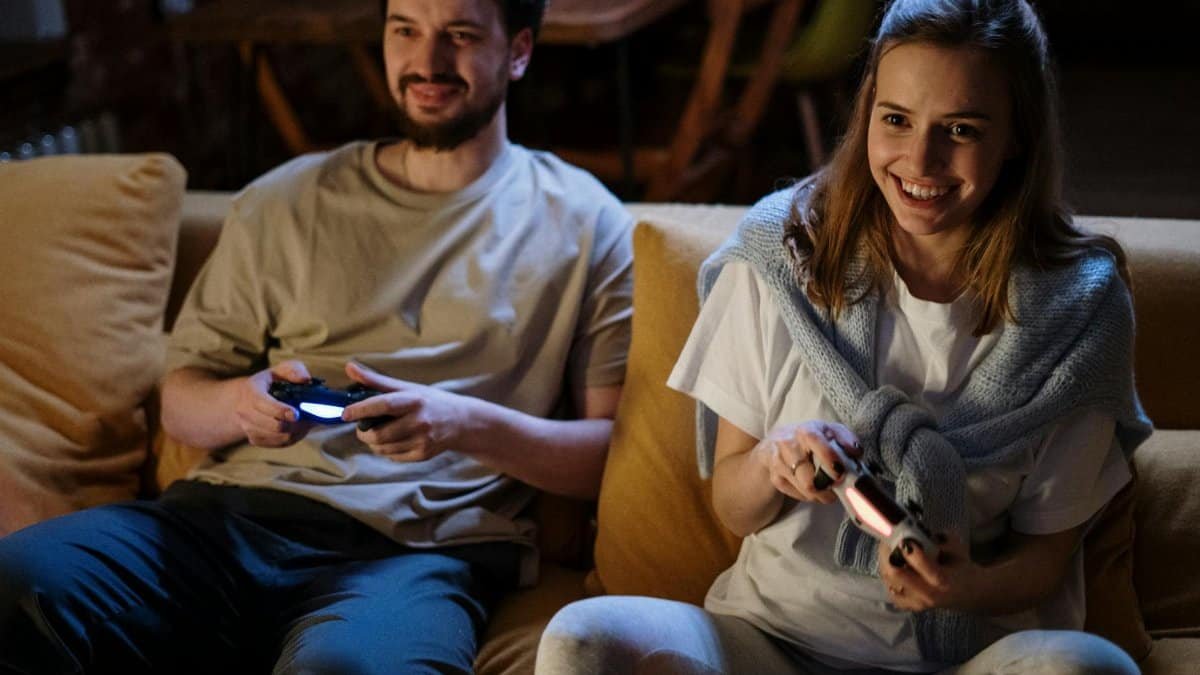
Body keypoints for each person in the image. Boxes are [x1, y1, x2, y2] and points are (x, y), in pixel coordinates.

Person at [0, 0, 634, 672]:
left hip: (414, 555)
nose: (427, 62)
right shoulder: (286, 199)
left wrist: (460, 423)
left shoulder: (586, 221)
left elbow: (605, 452)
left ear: (519, 51)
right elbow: (180, 398)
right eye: (405, 31)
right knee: (16, 582)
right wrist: (241, 405)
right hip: (221, 524)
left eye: (461, 35)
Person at [536, 0, 1150, 673]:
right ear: (867, 117)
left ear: (1018, 137)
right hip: (769, 641)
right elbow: (734, 507)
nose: (921, 159)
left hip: (966, 656)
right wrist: (774, 461)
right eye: (896, 120)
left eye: (961, 129)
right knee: (580, 639)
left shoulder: (1078, 312)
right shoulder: (784, 254)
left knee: (1091, 667)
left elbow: (1045, 559)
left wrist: (965, 586)